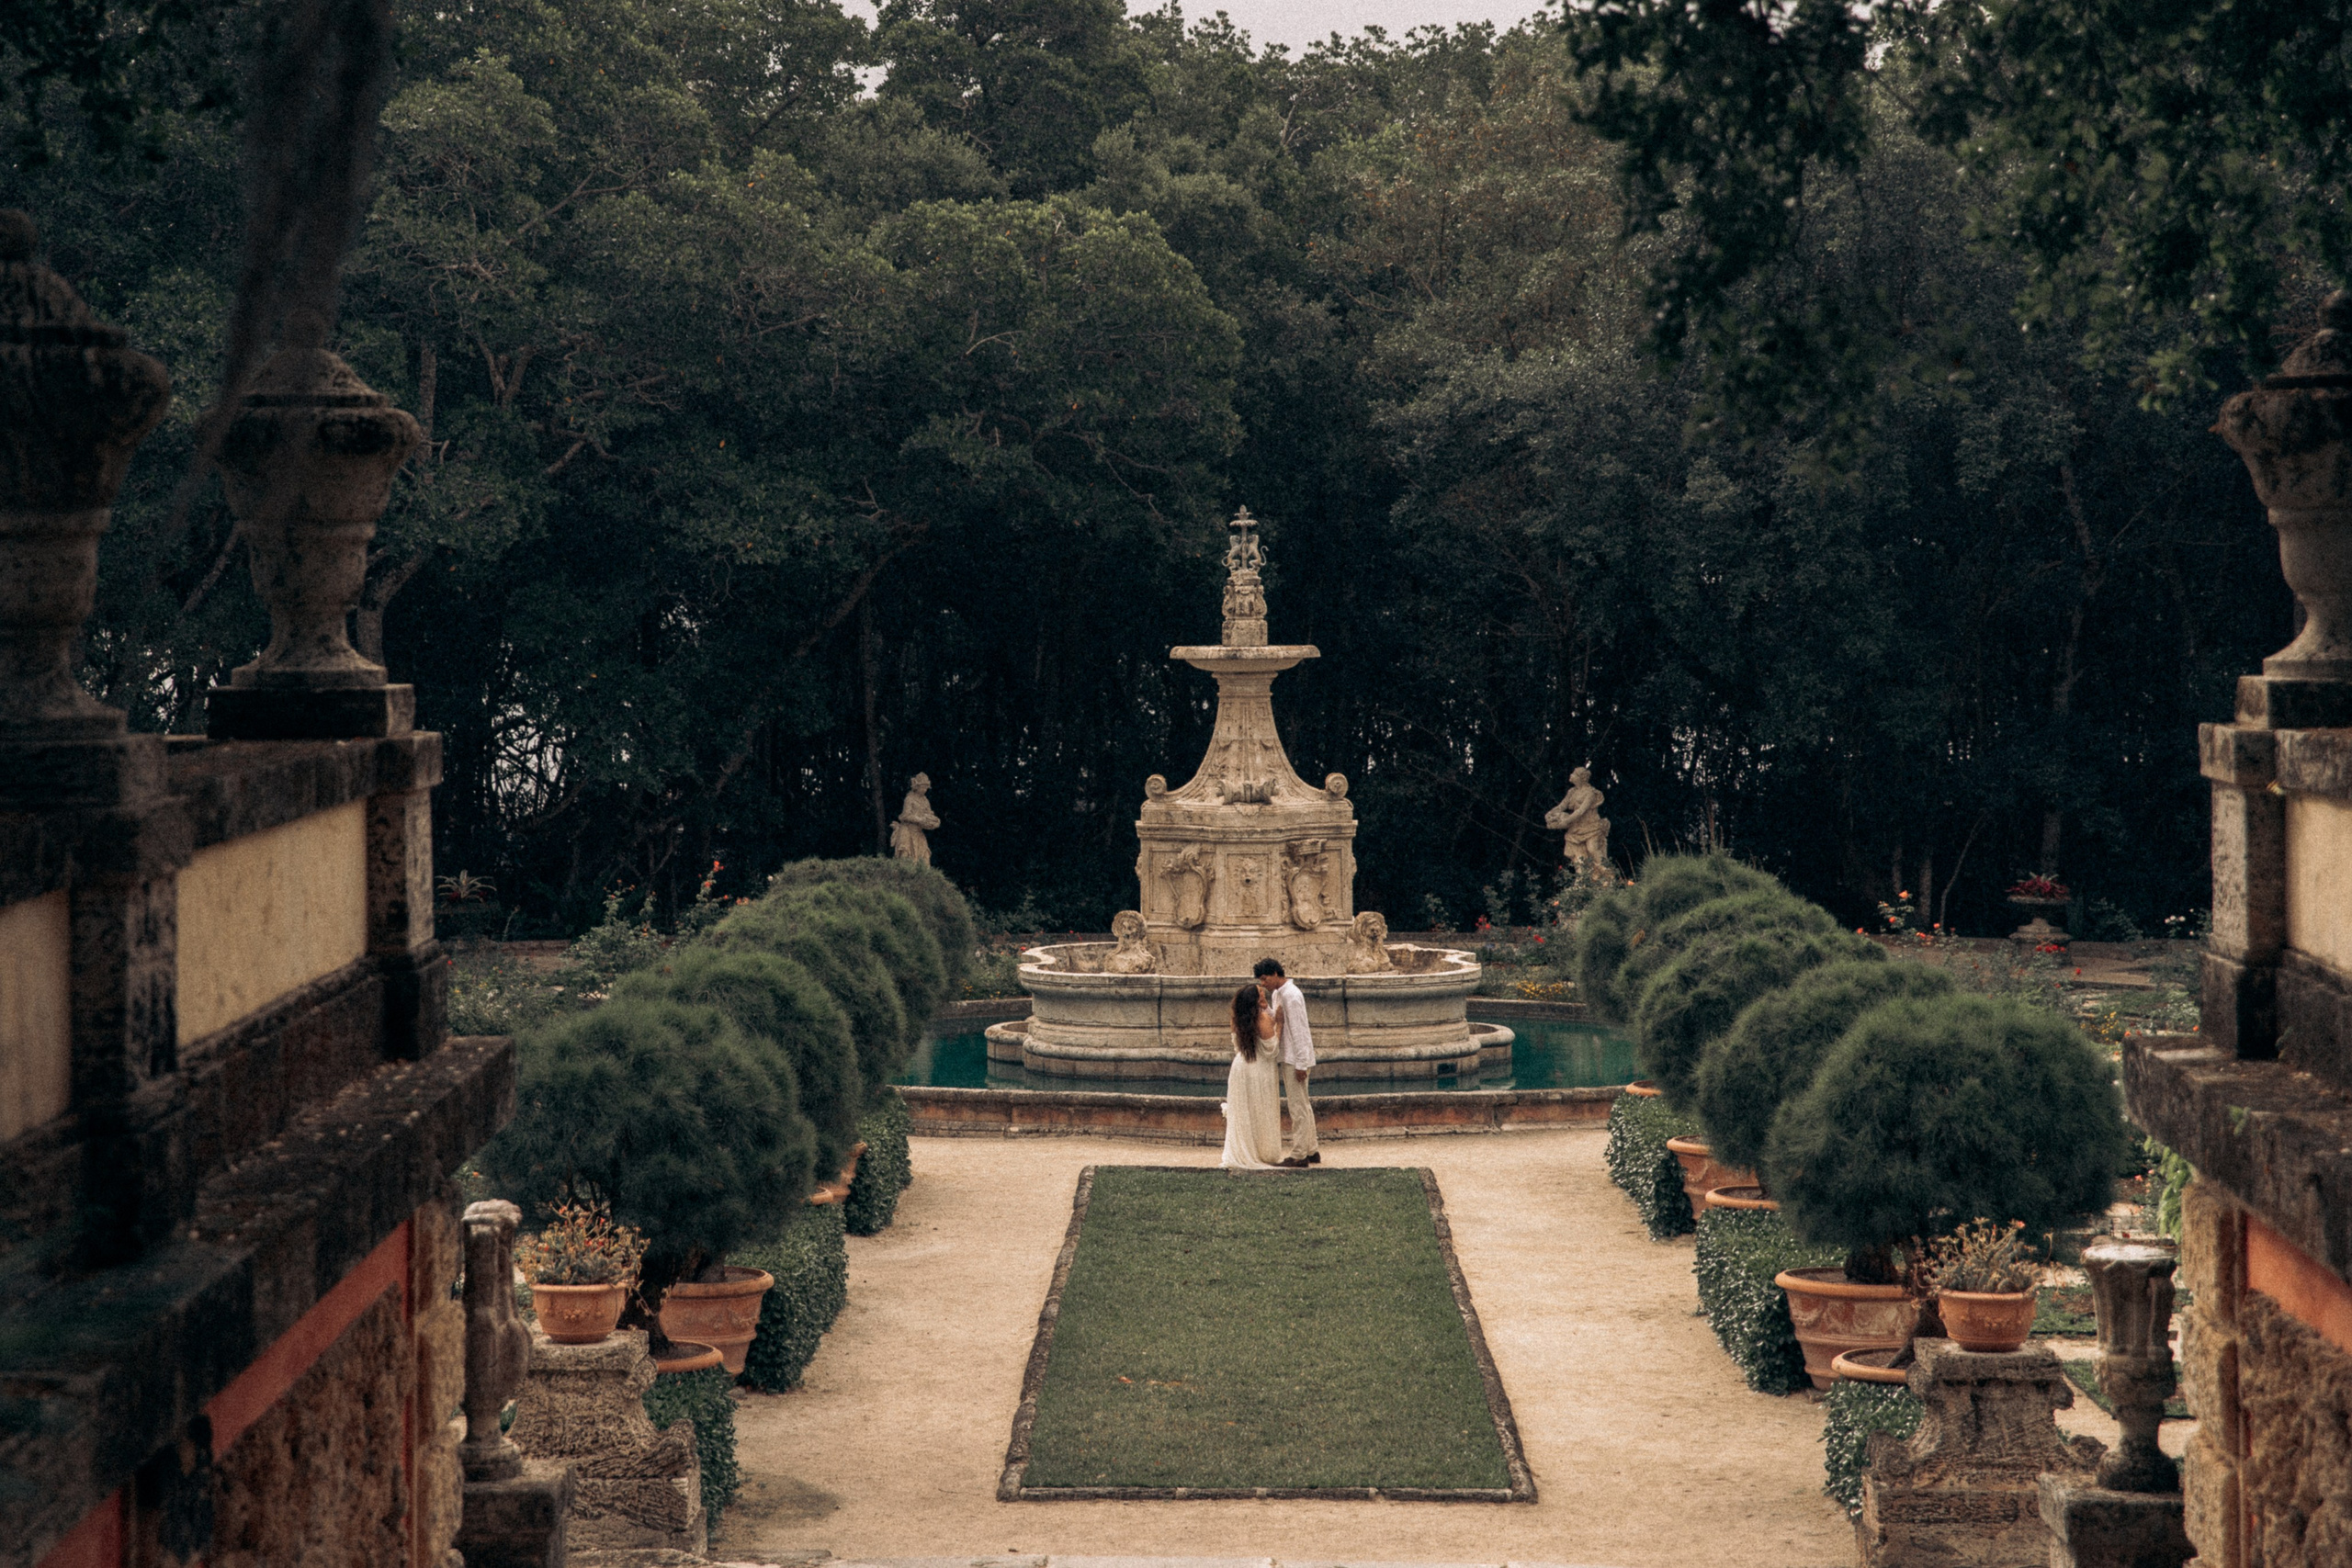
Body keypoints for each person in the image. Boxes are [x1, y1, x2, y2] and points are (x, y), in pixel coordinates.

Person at [1254, 957, 1318, 1166]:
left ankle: (1299, 1155)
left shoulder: (1292, 995)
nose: (1263, 984)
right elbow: (1280, 1019)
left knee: (1298, 1107)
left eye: (1265, 979)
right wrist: (1266, 1008)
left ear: (1275, 974)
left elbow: (1299, 1030)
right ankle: (1311, 1149)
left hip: (1295, 1058)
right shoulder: (1278, 994)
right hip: (1289, 1056)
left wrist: (1301, 1064)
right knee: (1303, 1104)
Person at [1218, 984, 1283, 1170]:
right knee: (1260, 1109)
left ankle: (1248, 1149)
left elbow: (1237, 1046)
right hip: (1258, 1068)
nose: (1264, 994)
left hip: (1240, 1067)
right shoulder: (1261, 1018)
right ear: (1255, 999)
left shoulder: (1236, 1019)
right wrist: (1280, 1024)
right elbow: (1272, 1049)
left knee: (1245, 1112)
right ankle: (1263, 1151)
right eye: (1261, 993)